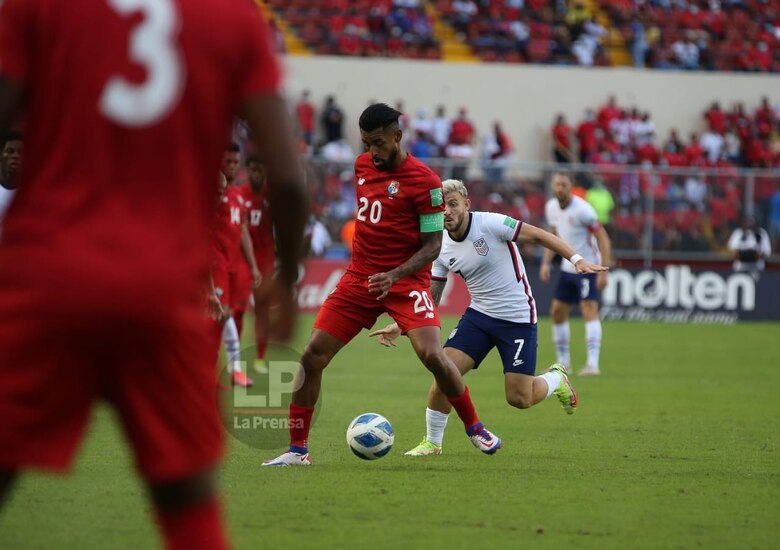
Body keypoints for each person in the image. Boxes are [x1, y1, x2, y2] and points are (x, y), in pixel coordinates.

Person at [0, 2, 308, 549]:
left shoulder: (38, 6)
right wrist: (286, 277)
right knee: (187, 501)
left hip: (47, 279)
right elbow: (287, 176)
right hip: (162, 290)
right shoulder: (233, 18)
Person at [262, 103, 502, 467]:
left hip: (406, 283)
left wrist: (395, 274)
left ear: (397, 136)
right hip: (360, 279)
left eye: (378, 143)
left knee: (434, 356)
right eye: (365, 143)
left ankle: (475, 427)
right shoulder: (361, 166)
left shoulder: (425, 182)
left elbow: (433, 246)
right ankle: (297, 450)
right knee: (312, 356)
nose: (372, 152)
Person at [369, 179, 607, 456]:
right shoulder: (439, 246)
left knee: (519, 398)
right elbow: (432, 296)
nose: (447, 211)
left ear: (466, 205)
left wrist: (576, 259)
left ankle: (556, 379)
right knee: (444, 371)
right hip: (479, 316)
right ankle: (433, 442)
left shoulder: (491, 224)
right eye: (442, 207)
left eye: (453, 204)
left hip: (517, 317)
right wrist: (402, 324)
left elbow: (541, 236)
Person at [540, 172, 612, 377]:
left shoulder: (583, 210)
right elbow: (551, 237)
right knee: (557, 312)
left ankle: (592, 364)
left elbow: (603, 238)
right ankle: (564, 363)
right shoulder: (551, 207)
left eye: (563, 184)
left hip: (588, 266)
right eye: (556, 184)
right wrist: (546, 262)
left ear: (571, 186)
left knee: (589, 309)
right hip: (567, 266)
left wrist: (604, 270)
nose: (559, 188)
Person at [212, 157, 261, 388]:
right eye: (228, 161)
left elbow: (242, 231)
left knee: (225, 315)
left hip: (229, 266)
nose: (232, 166)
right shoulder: (210, 199)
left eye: (235, 161)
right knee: (218, 316)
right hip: (212, 264)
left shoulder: (236, 196)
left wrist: (252, 265)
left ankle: (233, 370)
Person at [242, 156, 276, 373]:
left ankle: (260, 358)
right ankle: (232, 361)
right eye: (254, 170)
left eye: (261, 170)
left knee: (262, 311)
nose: (257, 174)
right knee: (233, 310)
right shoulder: (239, 195)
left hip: (264, 265)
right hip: (240, 263)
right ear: (249, 170)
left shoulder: (272, 196)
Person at [0, 129, 21, 224]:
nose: (15, 156)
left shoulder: (32, 192)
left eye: (20, 152)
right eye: (10, 151)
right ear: (1, 156)